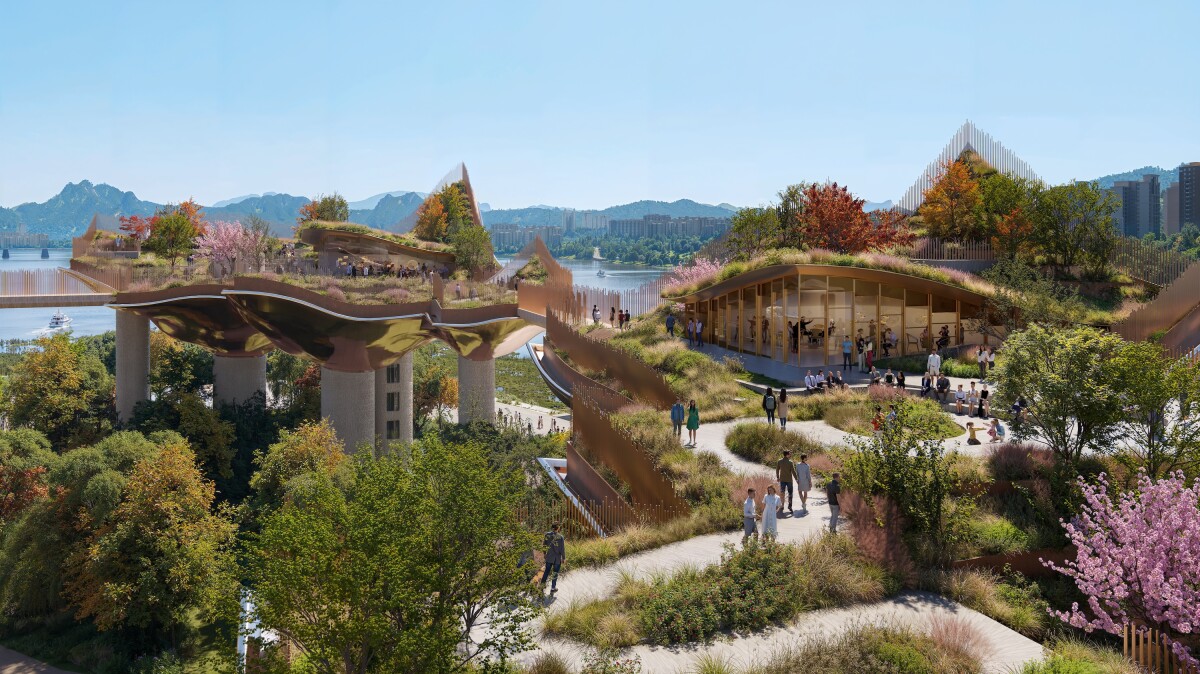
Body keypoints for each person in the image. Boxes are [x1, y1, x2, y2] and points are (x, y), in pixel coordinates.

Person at [541, 523, 566, 594]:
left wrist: (544, 553)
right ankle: (553, 588)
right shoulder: (560, 537)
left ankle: (541, 587)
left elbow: (544, 545)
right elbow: (562, 549)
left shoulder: (547, 535)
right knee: (555, 573)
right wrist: (563, 558)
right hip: (557, 559)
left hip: (549, 557)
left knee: (546, 572)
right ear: (558, 528)